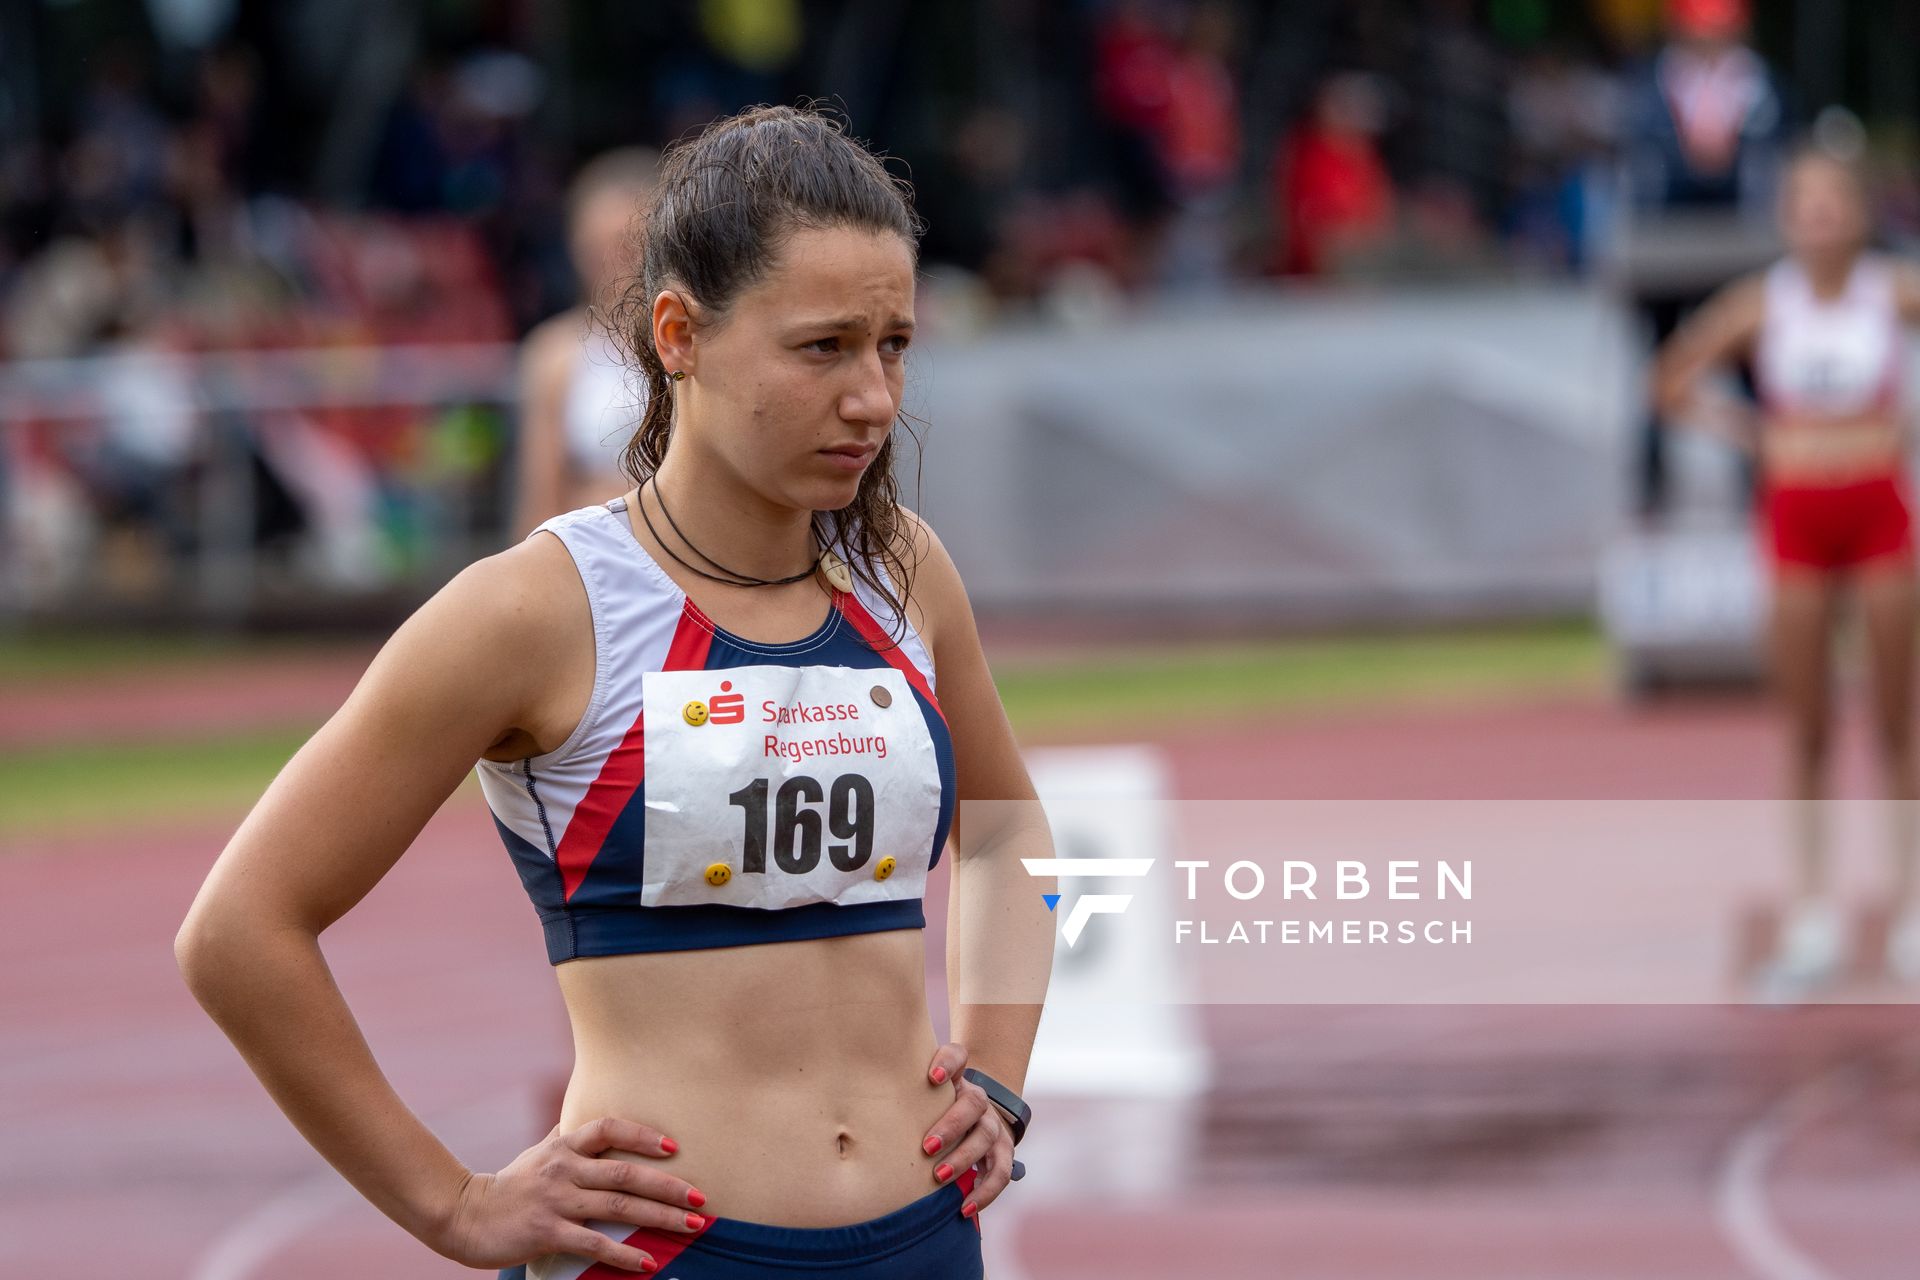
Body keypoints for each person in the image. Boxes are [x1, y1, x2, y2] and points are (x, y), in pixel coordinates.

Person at [175, 104, 1057, 1277]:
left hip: (925, 1238)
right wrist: (452, 1204)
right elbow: (238, 931)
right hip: (662, 1255)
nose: (873, 399)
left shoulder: (903, 571)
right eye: (822, 347)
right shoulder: (533, 611)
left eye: (892, 344)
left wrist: (997, 1068)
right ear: (679, 332)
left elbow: (1007, 829)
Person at [1655, 145, 1920, 993]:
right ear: (1785, 218)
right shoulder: (1759, 306)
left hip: (1878, 509)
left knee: (1895, 717)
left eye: (1834, 203)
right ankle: (1812, 914)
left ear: (1859, 214)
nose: (1820, 218)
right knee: (1805, 723)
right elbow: (1669, 382)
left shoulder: (1893, 292)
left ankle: (1910, 910)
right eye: (1804, 204)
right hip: (1798, 515)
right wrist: (1752, 433)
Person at [514, 149, 659, 537]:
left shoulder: (696, 342)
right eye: (599, 246)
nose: (614, 262)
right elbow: (541, 491)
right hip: (591, 552)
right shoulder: (554, 353)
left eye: (628, 244)